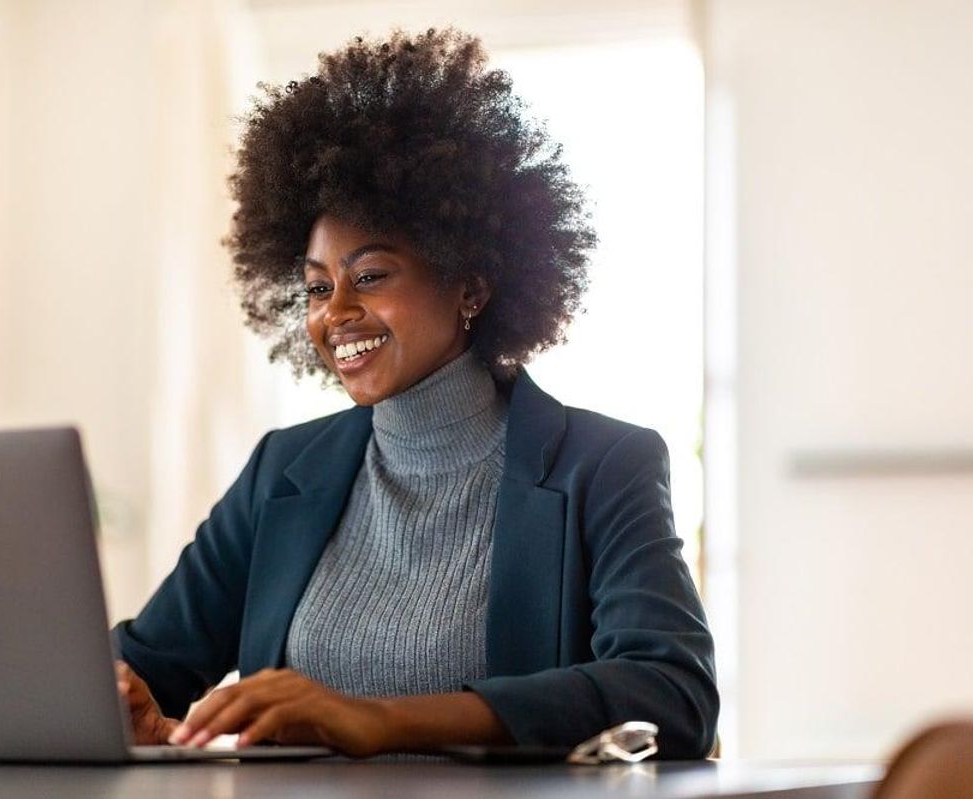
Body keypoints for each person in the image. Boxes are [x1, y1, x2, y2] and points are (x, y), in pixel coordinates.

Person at [112, 27, 718, 759]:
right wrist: (123, 700)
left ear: (471, 283)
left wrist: (383, 718)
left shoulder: (602, 463)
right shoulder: (284, 471)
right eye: (315, 287)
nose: (335, 313)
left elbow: (673, 692)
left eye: (370, 276)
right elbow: (149, 663)